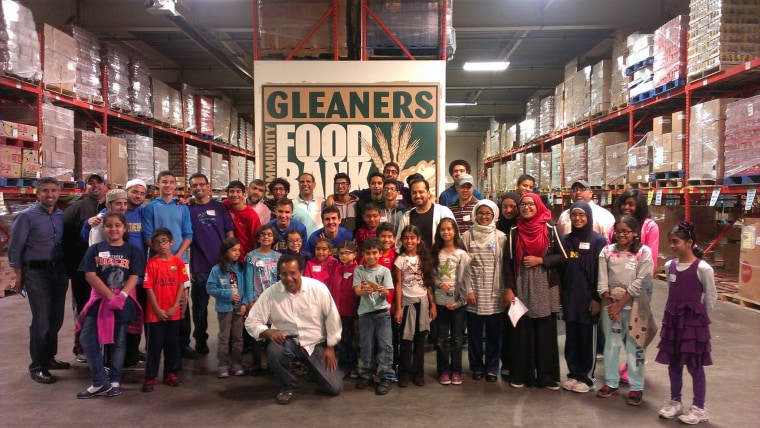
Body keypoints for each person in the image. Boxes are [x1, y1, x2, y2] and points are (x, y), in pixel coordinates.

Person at [244, 255, 343, 405]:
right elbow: (251, 321)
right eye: (284, 274)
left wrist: (330, 347)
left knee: (334, 388)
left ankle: (312, 369)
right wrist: (270, 332)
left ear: (301, 272)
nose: (288, 278)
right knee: (274, 351)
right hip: (287, 341)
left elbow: (332, 317)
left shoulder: (318, 288)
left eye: (292, 273)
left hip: (315, 343)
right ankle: (287, 386)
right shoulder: (271, 293)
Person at [502, 192, 568, 390]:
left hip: (545, 284)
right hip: (522, 285)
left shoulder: (551, 227)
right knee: (522, 331)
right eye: (523, 205)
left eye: (531, 204)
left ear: (538, 205)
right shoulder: (515, 230)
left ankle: (547, 376)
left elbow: (564, 256)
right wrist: (509, 288)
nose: (527, 208)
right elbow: (508, 261)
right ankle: (522, 375)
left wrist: (541, 260)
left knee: (545, 331)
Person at [76, 212, 145, 398]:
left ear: (124, 228)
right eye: (109, 226)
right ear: (103, 228)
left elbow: (134, 275)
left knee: (119, 342)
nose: (113, 229)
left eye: (117, 225)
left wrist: (121, 296)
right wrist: (109, 296)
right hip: (99, 301)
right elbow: (90, 275)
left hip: (123, 301)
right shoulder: (95, 249)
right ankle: (100, 381)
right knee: (87, 339)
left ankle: (114, 380)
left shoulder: (133, 251)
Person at [8, 177, 70, 384]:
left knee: (56, 318)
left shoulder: (62, 216)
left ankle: (49, 358)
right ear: (38, 193)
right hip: (36, 273)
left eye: (54, 191)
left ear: (59, 192)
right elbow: (15, 248)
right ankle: (38, 366)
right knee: (41, 320)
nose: (50, 195)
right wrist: (19, 278)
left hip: (58, 270)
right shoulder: (26, 217)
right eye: (45, 191)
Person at [656, 222, 716, 424]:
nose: (672, 246)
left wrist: (701, 321)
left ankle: (699, 407)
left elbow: (710, 297)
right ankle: (675, 401)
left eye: (676, 242)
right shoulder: (669, 266)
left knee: (695, 365)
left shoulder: (703, 268)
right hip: (673, 320)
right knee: (673, 363)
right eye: (670, 242)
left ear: (689, 243)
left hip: (693, 323)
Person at [596, 215, 654, 406]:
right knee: (611, 346)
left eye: (626, 231)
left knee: (635, 347)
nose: (621, 235)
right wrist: (609, 303)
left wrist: (620, 305)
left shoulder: (643, 253)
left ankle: (636, 386)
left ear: (635, 233)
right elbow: (602, 280)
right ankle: (611, 382)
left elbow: (641, 282)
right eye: (618, 231)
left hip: (635, 307)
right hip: (611, 307)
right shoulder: (606, 251)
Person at [141, 170, 195, 359]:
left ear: (176, 185)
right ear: (158, 184)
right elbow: (147, 235)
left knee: (181, 302)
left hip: (180, 261)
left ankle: (183, 343)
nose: (168, 185)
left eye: (172, 182)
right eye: (164, 182)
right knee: (157, 299)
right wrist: (162, 252)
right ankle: (154, 344)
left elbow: (188, 234)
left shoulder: (182, 207)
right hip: (157, 261)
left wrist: (177, 256)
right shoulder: (150, 208)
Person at [610, 188, 659, 383]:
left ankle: (635, 366)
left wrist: (636, 286)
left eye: (631, 204)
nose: (627, 207)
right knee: (620, 327)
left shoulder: (649, 226)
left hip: (640, 287)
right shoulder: (618, 224)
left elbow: (651, 261)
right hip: (618, 287)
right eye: (624, 203)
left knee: (638, 328)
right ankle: (630, 362)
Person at [559, 201, 607, 393]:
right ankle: (573, 374)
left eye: (582, 215)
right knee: (571, 337)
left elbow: (601, 272)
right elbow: (562, 269)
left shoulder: (598, 241)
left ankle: (587, 377)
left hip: (589, 299)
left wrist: (597, 298)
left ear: (588, 217)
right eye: (574, 215)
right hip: (571, 297)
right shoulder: (566, 240)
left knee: (587, 338)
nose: (578, 219)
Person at [187, 173, 235, 355]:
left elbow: (230, 233)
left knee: (227, 306)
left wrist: (232, 260)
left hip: (222, 267)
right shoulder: (188, 210)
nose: (198, 188)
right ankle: (200, 340)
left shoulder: (220, 208)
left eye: (202, 185)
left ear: (208, 186)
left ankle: (228, 339)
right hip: (200, 268)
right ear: (190, 189)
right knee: (199, 308)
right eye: (194, 186)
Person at [462, 200, 506, 383]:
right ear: (475, 214)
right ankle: (476, 367)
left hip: (494, 291)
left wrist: (504, 291)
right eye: (481, 213)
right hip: (474, 292)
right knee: (474, 334)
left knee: (495, 334)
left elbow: (505, 267)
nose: (484, 216)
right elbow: (463, 266)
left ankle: (492, 367)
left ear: (494, 214)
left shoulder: (501, 237)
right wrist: (468, 290)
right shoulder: (466, 236)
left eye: (488, 213)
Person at [141, 228, 188, 392]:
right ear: (153, 245)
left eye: (164, 241)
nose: (161, 245)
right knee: (154, 347)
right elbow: (148, 288)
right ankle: (150, 377)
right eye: (157, 242)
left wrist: (176, 306)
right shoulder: (151, 264)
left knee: (172, 346)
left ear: (171, 242)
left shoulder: (178, 263)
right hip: (155, 315)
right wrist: (157, 309)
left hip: (173, 313)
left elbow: (182, 284)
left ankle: (171, 373)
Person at [393, 225, 436, 387]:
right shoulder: (400, 260)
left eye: (412, 238)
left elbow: (428, 283)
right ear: (402, 241)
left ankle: (418, 373)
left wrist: (432, 304)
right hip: (407, 305)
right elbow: (398, 284)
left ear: (418, 240)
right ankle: (404, 373)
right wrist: (398, 308)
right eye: (406, 238)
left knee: (420, 340)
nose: (409, 241)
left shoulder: (424, 259)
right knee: (405, 340)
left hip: (423, 304)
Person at [431, 218, 470, 386]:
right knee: (441, 337)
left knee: (457, 338)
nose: (446, 232)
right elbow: (431, 274)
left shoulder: (462, 254)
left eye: (449, 229)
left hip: (458, 301)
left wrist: (460, 301)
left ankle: (456, 371)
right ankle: (443, 371)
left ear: (455, 231)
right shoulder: (435, 252)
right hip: (440, 299)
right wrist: (439, 283)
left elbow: (465, 279)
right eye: (442, 229)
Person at [353, 238, 395, 395]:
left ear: (380, 254)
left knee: (385, 345)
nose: (371, 256)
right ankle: (366, 373)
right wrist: (364, 291)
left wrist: (380, 289)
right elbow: (357, 290)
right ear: (363, 254)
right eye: (368, 253)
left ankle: (386, 376)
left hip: (382, 314)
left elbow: (387, 293)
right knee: (366, 345)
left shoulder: (385, 272)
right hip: (365, 314)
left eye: (375, 253)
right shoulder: (359, 271)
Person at [63, 173, 107, 318]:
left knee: (106, 311)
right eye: (91, 183)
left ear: (104, 186)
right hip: (82, 271)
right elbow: (67, 241)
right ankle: (82, 340)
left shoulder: (113, 206)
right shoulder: (74, 210)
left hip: (107, 270)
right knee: (84, 310)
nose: (95, 185)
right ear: (85, 187)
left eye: (98, 182)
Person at [206, 237, 251, 378]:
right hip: (224, 308)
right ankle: (223, 364)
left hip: (239, 310)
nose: (237, 253)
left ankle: (236, 362)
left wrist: (244, 303)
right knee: (224, 337)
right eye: (233, 250)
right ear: (225, 252)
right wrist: (227, 294)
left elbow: (246, 287)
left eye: (239, 250)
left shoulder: (242, 268)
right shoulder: (217, 269)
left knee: (238, 337)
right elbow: (210, 288)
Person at [244, 224, 281, 374]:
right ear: (258, 238)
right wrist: (250, 300)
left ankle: (272, 363)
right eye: (263, 234)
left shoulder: (278, 257)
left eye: (269, 234)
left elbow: (280, 279)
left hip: (274, 300)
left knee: (272, 331)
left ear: (274, 238)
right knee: (256, 332)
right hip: (257, 300)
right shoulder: (251, 257)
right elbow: (248, 279)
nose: (266, 237)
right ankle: (256, 363)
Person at [495, 191, 520, 377]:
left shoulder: (522, 227)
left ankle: (518, 362)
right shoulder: (496, 227)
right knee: (502, 326)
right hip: (500, 283)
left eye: (512, 207)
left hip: (519, 282)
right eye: (505, 207)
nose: (509, 210)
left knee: (517, 325)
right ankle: (505, 363)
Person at [396, 178, 456, 250]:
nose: (418, 195)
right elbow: (399, 243)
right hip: (415, 260)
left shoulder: (444, 212)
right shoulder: (407, 216)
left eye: (421, 192)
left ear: (428, 193)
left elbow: (455, 237)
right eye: (414, 192)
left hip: (439, 259)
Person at [328, 242, 360, 377]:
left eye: (347, 253)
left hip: (350, 312)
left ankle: (352, 366)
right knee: (340, 340)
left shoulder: (358, 270)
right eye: (341, 253)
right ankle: (342, 365)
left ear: (354, 255)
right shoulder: (337, 268)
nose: (344, 256)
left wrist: (357, 316)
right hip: (337, 311)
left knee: (350, 341)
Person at [223, 180, 262, 260]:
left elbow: (257, 239)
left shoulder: (251, 215)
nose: (235, 194)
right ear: (227, 194)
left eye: (238, 191)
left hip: (245, 257)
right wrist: (192, 200)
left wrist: (255, 259)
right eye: (232, 191)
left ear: (244, 194)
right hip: (228, 257)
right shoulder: (224, 205)